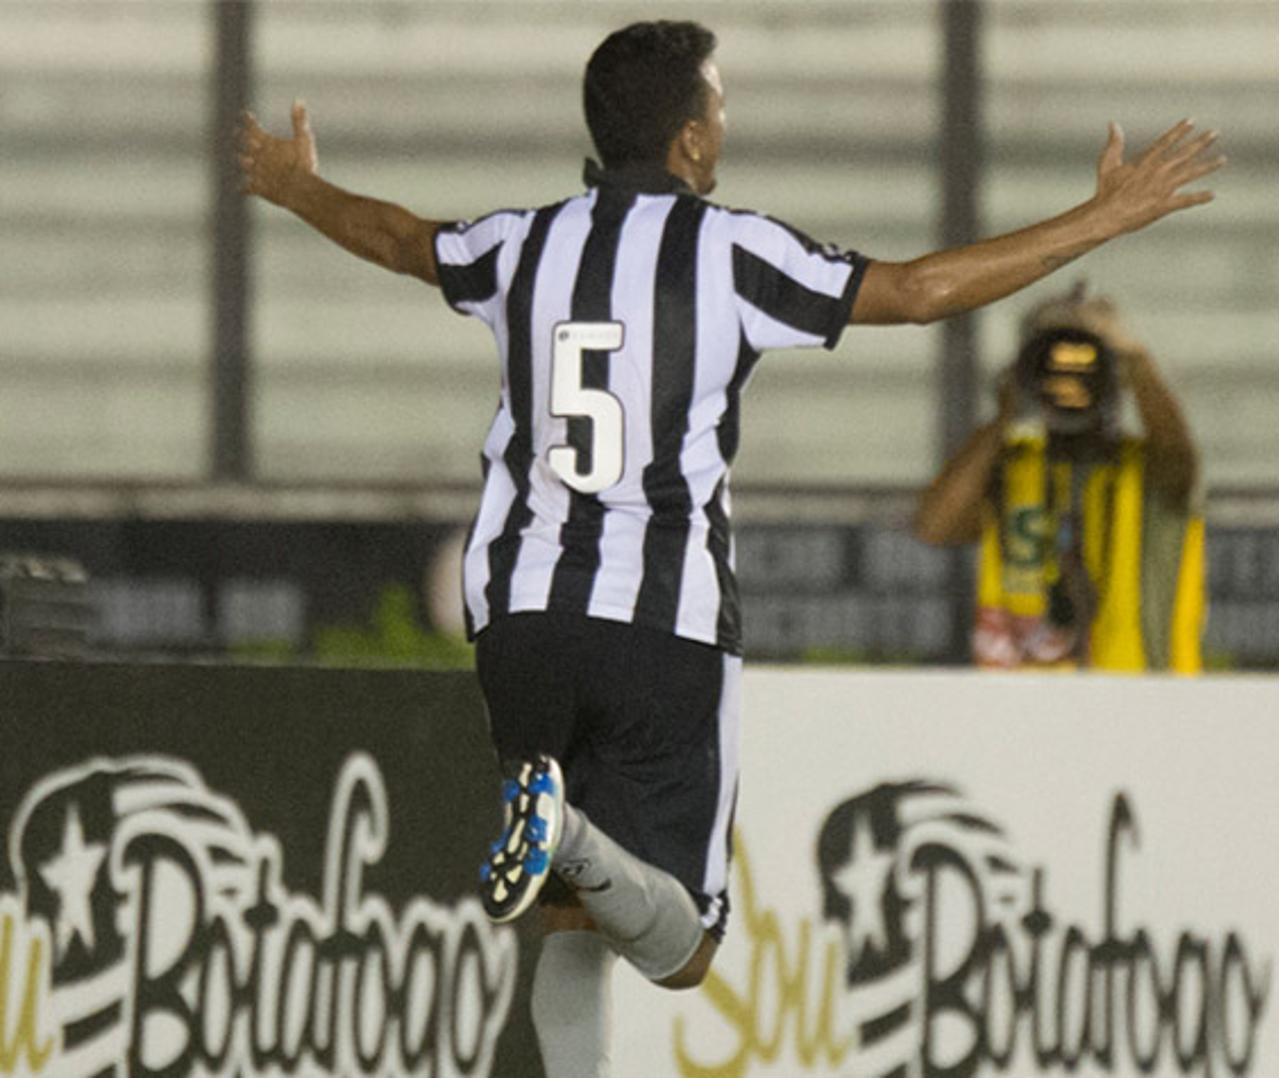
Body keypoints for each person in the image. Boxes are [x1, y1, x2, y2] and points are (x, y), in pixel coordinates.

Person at [237, 18, 1221, 1074]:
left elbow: (397, 238)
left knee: (574, 920)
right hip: (662, 625)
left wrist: (296, 188)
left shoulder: (519, 244)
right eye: (718, 107)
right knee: (685, 948)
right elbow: (922, 290)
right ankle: (562, 830)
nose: (723, 125)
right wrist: (1102, 216)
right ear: (691, 143)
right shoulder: (733, 251)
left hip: (520, 621)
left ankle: (560, 832)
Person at [913, 286, 1207, 673]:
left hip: (1139, 701)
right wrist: (1008, 410)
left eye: (1088, 360)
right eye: (1049, 360)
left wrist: (1133, 359)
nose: (1069, 377)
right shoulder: (1011, 461)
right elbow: (936, 526)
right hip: (1024, 707)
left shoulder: (1141, 467)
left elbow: (1179, 459)